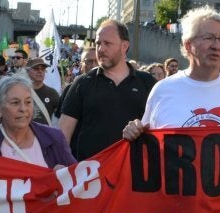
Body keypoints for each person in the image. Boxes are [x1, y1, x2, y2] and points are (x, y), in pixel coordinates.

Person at [122, 6, 220, 141]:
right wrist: (133, 132)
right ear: (188, 45)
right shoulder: (162, 90)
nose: (216, 46)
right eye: (209, 38)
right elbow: (145, 142)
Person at [58, 19, 157, 160]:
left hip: (135, 176)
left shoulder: (147, 83)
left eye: (107, 43)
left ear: (124, 46)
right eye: (98, 43)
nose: (101, 49)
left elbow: (161, 127)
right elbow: (63, 135)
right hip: (91, 177)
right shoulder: (82, 83)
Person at [0, 76, 76, 169]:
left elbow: (78, 179)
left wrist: (64, 174)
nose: (23, 108)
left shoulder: (54, 137)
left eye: (28, 102)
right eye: (15, 102)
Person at [25, 57, 59, 125]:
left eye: (42, 69)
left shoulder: (52, 93)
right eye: (36, 68)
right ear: (27, 71)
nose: (40, 71)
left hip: (44, 134)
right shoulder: (21, 92)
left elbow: (59, 117)